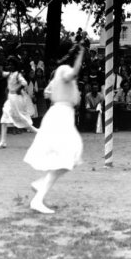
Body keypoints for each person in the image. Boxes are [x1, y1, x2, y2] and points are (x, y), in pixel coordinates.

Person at [24, 44, 85, 214]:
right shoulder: (65, 70)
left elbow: (48, 92)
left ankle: (40, 184)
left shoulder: (58, 73)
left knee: (70, 158)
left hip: (62, 114)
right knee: (67, 157)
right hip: (60, 116)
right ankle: (37, 199)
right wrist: (81, 56)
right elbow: (72, 74)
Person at [0, 56, 38, 148]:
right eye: (9, 64)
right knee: (4, 119)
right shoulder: (9, 74)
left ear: (15, 66)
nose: (10, 66)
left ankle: (39, 132)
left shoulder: (18, 74)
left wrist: (18, 88)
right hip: (10, 98)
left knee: (22, 120)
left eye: (11, 65)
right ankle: (3, 142)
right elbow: (1, 73)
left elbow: (24, 83)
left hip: (16, 99)